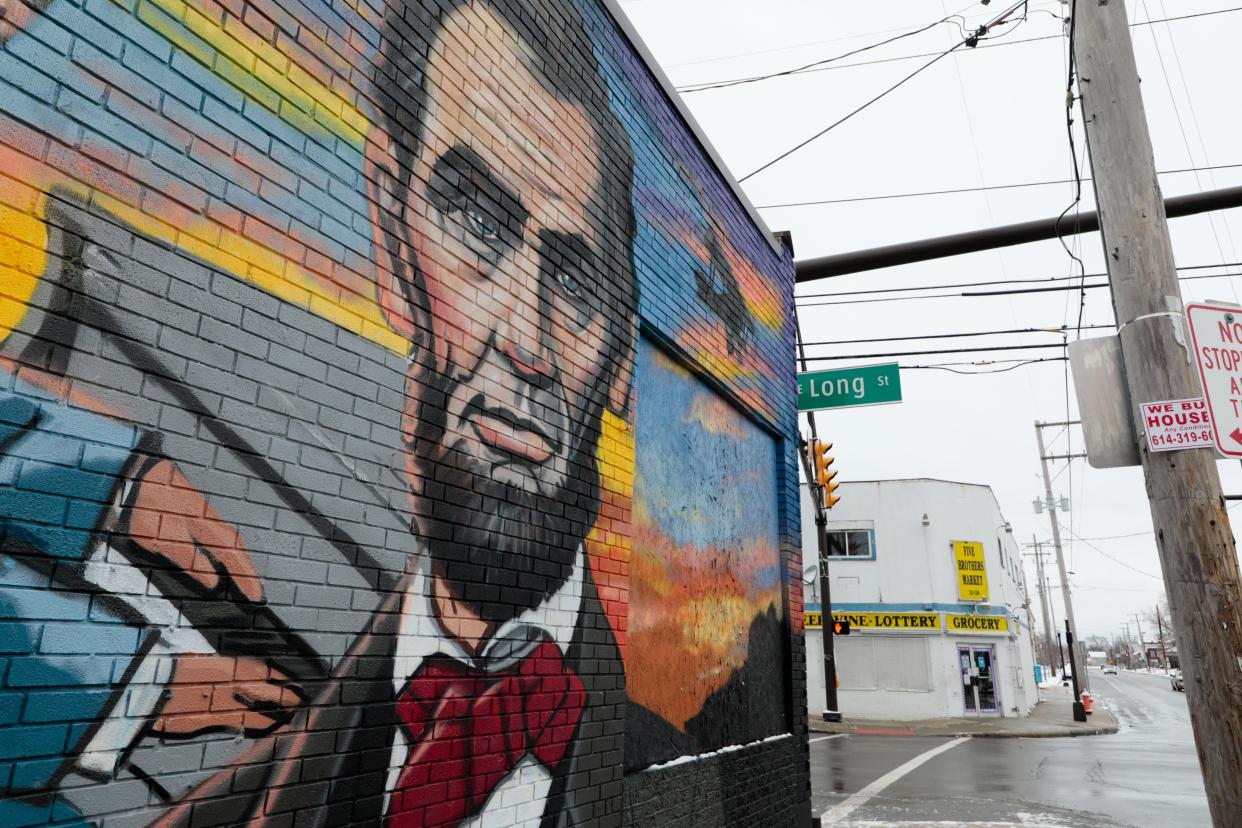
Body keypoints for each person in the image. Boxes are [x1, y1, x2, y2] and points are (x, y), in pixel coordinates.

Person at [155, 0, 639, 825]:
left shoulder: (663, 753)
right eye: (476, 222)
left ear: (620, 359)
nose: (526, 340)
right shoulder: (228, 812)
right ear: (390, 228)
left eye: (572, 279)